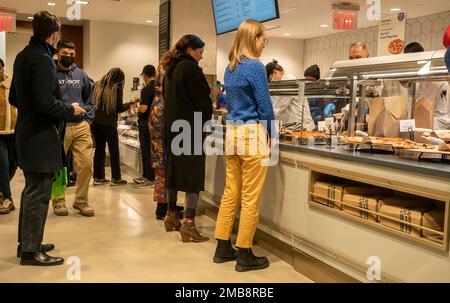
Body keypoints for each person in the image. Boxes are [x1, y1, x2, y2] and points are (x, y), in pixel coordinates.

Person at [9, 11, 86, 266]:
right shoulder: (43, 59)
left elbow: (14, 99)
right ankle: (31, 252)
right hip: (41, 137)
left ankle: (27, 243)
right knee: (39, 194)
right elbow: (45, 102)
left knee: (31, 192)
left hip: (27, 133)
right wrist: (70, 109)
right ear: (54, 34)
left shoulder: (22, 56)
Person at [214, 19, 274, 272]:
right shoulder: (256, 67)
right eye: (263, 40)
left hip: (232, 134)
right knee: (250, 198)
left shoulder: (230, 67)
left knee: (231, 193)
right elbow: (265, 105)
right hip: (252, 135)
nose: (264, 45)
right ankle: (245, 253)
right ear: (254, 38)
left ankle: (222, 246)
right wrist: (271, 134)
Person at [162, 34, 213, 242]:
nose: (201, 57)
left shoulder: (170, 69)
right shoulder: (190, 69)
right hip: (190, 129)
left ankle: (171, 216)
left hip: (173, 128)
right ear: (191, 49)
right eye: (200, 52)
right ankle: (189, 225)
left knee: (173, 175)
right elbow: (203, 101)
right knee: (192, 179)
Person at [52, 40, 95, 217]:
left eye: (72, 54)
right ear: (57, 53)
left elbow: (90, 99)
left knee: (86, 165)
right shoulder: (50, 73)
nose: (69, 57)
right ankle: (58, 201)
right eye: (65, 53)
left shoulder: (81, 74)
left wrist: (88, 120)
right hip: (59, 126)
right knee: (57, 166)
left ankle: (81, 201)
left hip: (81, 125)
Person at [93, 68, 136, 186]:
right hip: (109, 125)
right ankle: (116, 178)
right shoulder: (116, 89)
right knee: (114, 151)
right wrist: (131, 103)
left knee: (99, 150)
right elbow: (119, 109)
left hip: (96, 123)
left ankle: (98, 177)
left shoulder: (97, 85)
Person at [404, 42, 450, 130]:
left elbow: (445, 120)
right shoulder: (413, 80)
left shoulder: (440, 83)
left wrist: (419, 125)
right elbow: (410, 112)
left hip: (433, 136)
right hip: (411, 135)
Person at [266, 60, 315, 128]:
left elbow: (280, 106)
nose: (272, 81)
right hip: (295, 124)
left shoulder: (288, 81)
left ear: (275, 72)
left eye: (271, 78)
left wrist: (266, 112)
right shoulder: (285, 80)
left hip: (301, 125)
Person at [132, 65, 156, 188]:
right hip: (155, 123)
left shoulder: (146, 89)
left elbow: (143, 108)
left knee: (146, 151)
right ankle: (149, 176)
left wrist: (136, 107)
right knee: (152, 151)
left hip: (145, 123)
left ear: (145, 75)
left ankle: (148, 177)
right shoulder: (158, 87)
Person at [0, 58, 18, 215]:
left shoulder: (12, 83)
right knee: (3, 166)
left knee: (13, 165)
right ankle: (8, 198)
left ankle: (1, 191)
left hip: (14, 132)